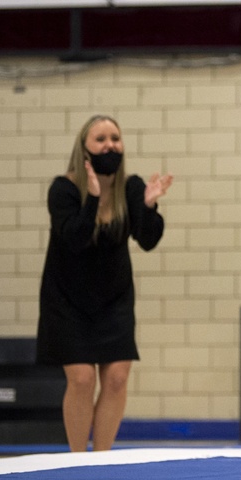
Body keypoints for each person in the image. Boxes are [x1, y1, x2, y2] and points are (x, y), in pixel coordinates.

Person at [36, 115, 171, 452]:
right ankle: (78, 458)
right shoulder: (64, 189)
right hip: (67, 298)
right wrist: (94, 197)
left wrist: (150, 206)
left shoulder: (132, 187)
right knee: (81, 379)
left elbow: (148, 239)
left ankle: (102, 456)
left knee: (116, 378)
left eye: (115, 138)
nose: (110, 145)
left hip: (114, 299)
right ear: (84, 148)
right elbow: (75, 239)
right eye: (101, 139)